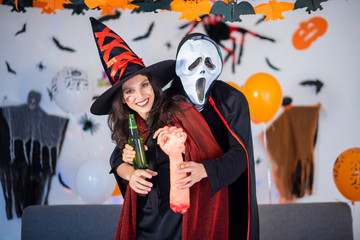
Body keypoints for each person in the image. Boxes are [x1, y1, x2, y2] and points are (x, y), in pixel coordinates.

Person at [89, 18, 229, 240]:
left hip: (183, 222)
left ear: (152, 84)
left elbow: (210, 153)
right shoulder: (130, 127)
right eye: (130, 91)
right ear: (123, 100)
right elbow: (116, 160)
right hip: (144, 225)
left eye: (144, 85)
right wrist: (131, 173)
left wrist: (178, 145)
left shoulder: (180, 111)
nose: (140, 96)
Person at [165, 33, 260, 240]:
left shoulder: (232, 100)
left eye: (209, 62)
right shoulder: (164, 104)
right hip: (180, 208)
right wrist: (123, 163)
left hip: (225, 201)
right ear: (181, 67)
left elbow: (241, 154)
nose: (202, 69)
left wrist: (205, 170)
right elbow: (137, 143)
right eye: (194, 62)